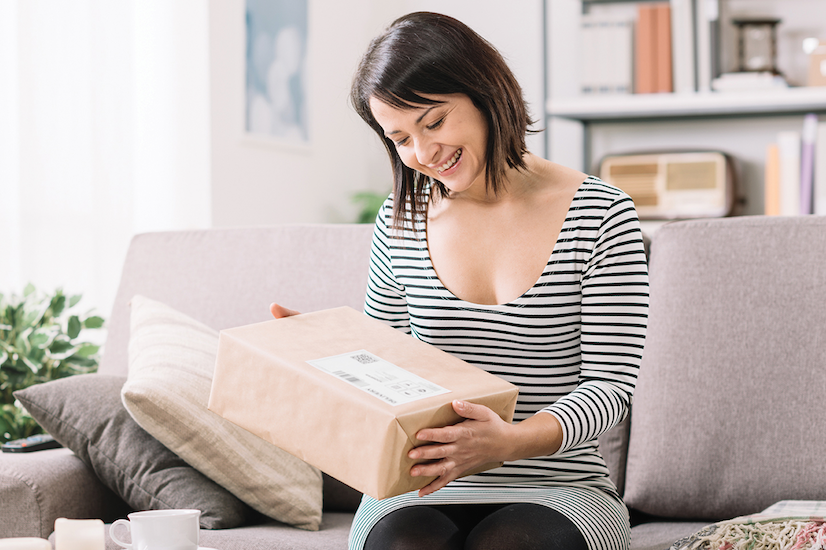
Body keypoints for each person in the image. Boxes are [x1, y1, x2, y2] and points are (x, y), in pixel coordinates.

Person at [272, 11, 648, 550]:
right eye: (400, 137)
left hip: (559, 485)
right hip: (416, 488)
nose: (423, 154)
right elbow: (385, 369)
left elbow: (611, 387)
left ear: (484, 93)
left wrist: (507, 442)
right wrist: (324, 350)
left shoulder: (599, 213)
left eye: (434, 122)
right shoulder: (401, 221)